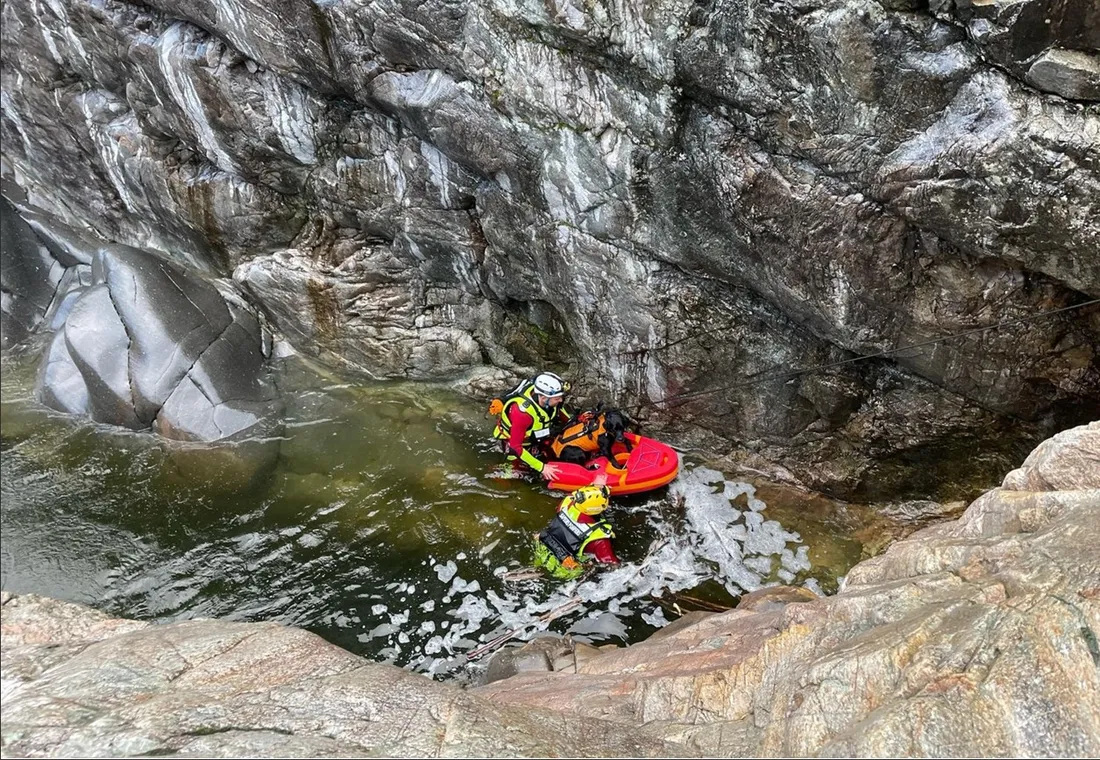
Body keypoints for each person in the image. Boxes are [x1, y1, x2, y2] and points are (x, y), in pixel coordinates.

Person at [492, 371, 575, 482]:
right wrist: (542, 468)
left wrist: (572, 422)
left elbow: (557, 410)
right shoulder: (522, 414)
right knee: (519, 475)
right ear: (544, 398)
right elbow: (515, 447)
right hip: (515, 445)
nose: (560, 400)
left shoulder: (547, 399)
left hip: (535, 437)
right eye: (557, 398)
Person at [533, 485, 619, 580]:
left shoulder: (566, 502)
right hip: (565, 570)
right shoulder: (599, 538)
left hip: (542, 550)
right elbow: (611, 566)